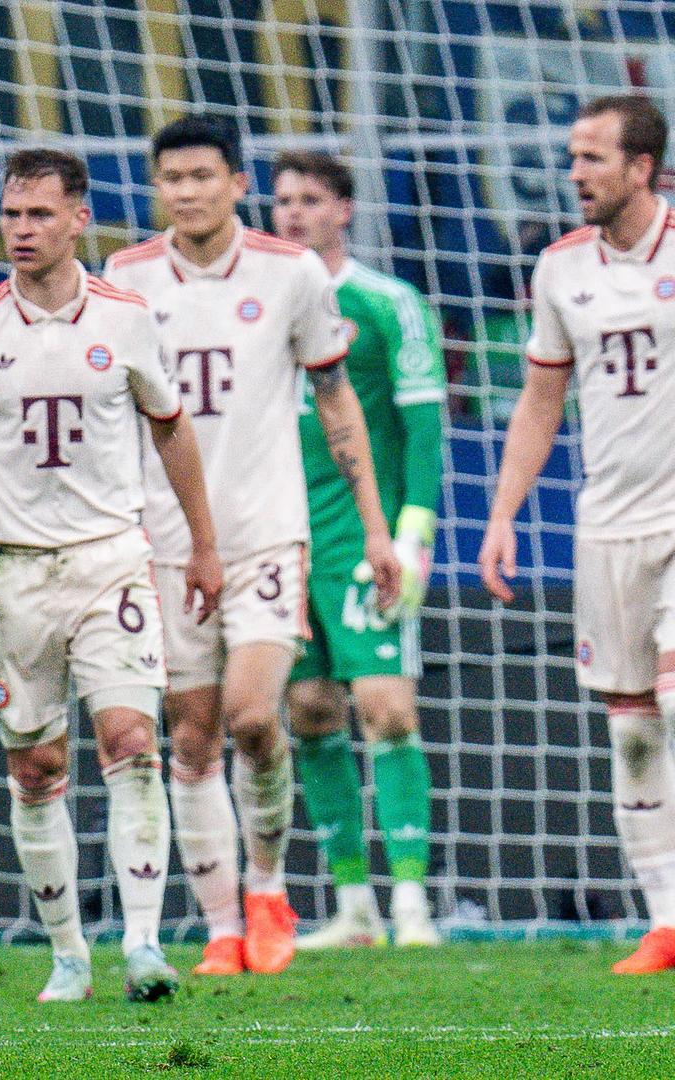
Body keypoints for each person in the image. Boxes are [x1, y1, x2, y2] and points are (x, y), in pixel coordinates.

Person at [0, 148, 222, 1004]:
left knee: (131, 742)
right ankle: (68, 955)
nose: (21, 230)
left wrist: (202, 545)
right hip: (9, 573)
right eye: (11, 214)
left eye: (40, 214)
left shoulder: (126, 317)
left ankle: (144, 945)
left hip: (110, 560)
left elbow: (172, 429)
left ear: (78, 219)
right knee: (37, 767)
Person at [102, 116, 401, 977]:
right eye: (172, 179)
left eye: (203, 176)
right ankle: (223, 927)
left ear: (237, 184)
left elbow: (338, 400)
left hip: (269, 532)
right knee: (190, 739)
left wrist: (375, 527)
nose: (187, 192)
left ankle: (267, 888)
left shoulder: (291, 273)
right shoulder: (126, 279)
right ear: (158, 188)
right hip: (162, 537)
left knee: (254, 718)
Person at [479, 95, 675, 976]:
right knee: (632, 728)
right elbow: (542, 399)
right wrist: (502, 513)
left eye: (592, 158)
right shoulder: (559, 269)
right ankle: (667, 921)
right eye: (571, 157)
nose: (574, 174)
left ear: (642, 168)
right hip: (607, 524)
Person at [268, 151, 447, 950]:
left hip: (359, 530)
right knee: (307, 710)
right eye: (281, 201)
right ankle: (354, 906)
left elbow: (423, 428)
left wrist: (411, 533)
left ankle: (412, 901)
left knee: (386, 707)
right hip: (279, 525)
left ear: (344, 209)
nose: (293, 214)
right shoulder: (259, 303)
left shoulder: (388, 303)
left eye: (310, 199)